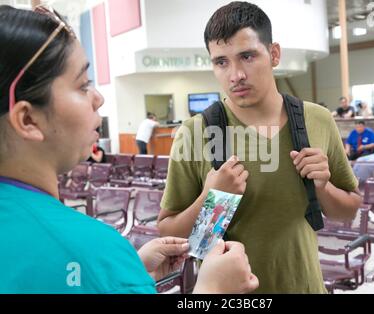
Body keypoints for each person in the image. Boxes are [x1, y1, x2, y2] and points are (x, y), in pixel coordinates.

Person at [0, 5, 258, 294]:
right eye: (83, 85)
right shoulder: (90, 250)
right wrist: (213, 290)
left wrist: (126, 272)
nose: (98, 98)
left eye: (248, 57)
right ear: (27, 119)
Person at [157, 1, 361, 293]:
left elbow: (349, 211)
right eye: (221, 62)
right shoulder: (194, 133)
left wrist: (322, 187)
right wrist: (211, 199)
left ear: (274, 54)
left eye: (247, 56)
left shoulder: (317, 120)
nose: (236, 74)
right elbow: (168, 234)